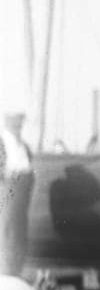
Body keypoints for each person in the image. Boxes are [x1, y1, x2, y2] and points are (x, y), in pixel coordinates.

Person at [0, 110, 35, 276]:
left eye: (20, 122)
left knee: (19, 232)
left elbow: (28, 168)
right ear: (7, 122)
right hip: (7, 191)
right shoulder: (2, 142)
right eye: (15, 122)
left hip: (23, 192)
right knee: (7, 231)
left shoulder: (24, 146)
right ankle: (6, 272)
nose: (19, 126)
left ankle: (15, 271)